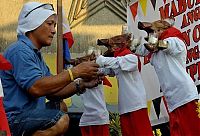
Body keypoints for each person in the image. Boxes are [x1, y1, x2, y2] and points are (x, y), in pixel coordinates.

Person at [0, 2, 101, 136]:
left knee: (61, 106)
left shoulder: (33, 53)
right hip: (13, 120)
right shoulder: (19, 51)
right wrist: (76, 71)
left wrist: (81, 84)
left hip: (26, 116)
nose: (53, 30)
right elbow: (36, 88)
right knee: (60, 120)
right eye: (49, 24)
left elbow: (53, 91)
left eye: (54, 25)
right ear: (33, 24)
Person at [136, 18, 200, 135]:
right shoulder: (155, 51)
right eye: (153, 32)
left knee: (194, 130)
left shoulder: (175, 40)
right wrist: (131, 43)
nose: (155, 34)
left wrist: (154, 40)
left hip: (185, 95)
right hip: (171, 100)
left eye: (157, 30)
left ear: (164, 29)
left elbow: (167, 45)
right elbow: (140, 50)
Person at [96, 47, 153, 136]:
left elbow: (117, 62)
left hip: (136, 105)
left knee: (143, 133)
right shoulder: (120, 63)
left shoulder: (132, 58)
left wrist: (100, 59)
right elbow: (109, 70)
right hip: (124, 106)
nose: (114, 48)